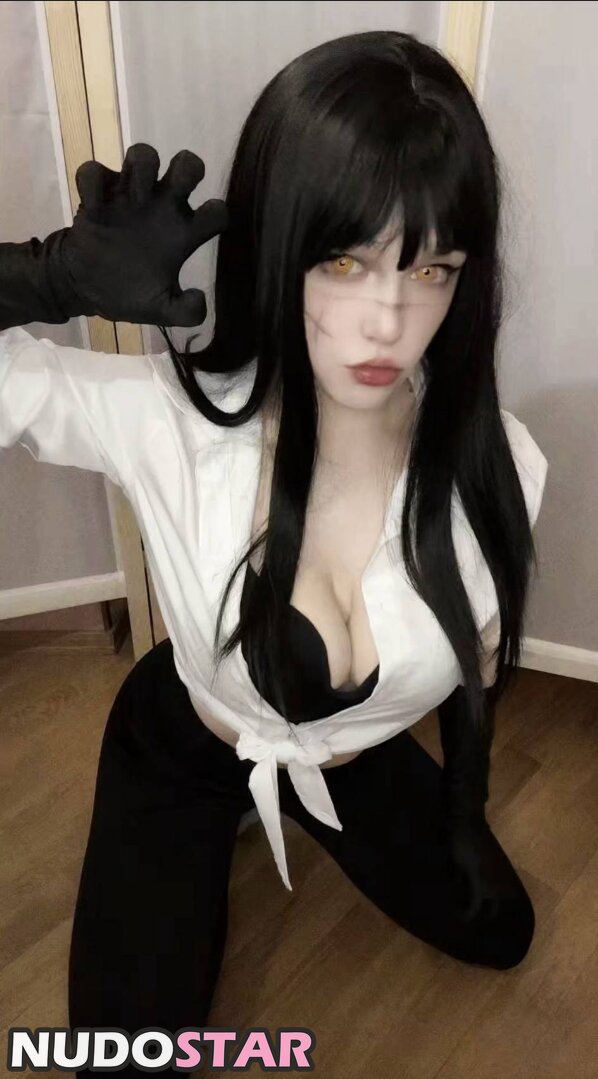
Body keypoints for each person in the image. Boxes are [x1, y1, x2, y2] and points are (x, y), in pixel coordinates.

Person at [1, 28, 547, 1070]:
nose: (387, 321)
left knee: (504, 931)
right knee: (121, 1055)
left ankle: (310, 801)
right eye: (344, 260)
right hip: (185, 740)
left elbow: (475, 664)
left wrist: (460, 802)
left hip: (352, 757)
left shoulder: (499, 468)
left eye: (431, 267)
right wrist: (48, 278)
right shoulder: (172, 421)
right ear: (279, 241)